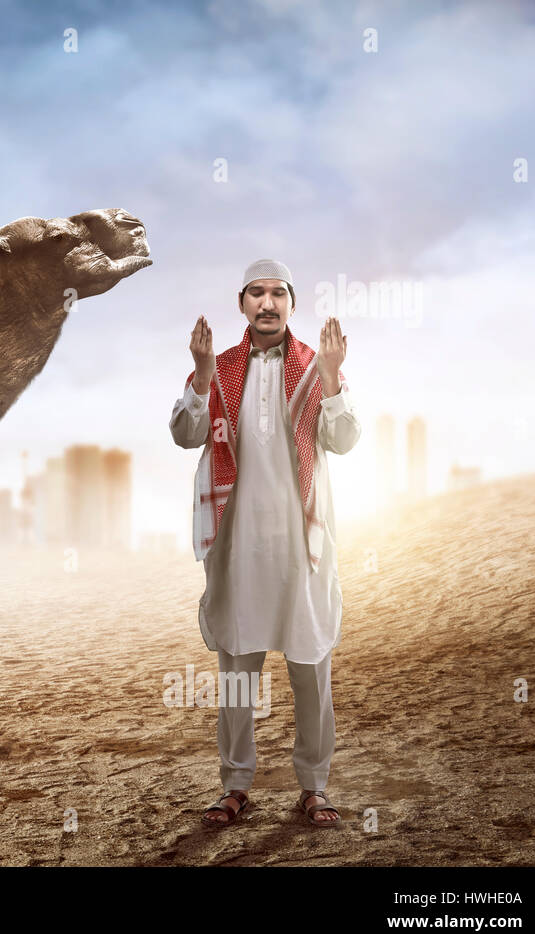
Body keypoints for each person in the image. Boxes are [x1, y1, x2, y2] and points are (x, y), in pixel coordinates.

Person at [168, 259, 361, 828]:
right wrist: (201, 375)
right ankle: (235, 787)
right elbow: (185, 434)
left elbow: (344, 440)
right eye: (258, 293)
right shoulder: (221, 368)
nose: (268, 303)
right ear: (242, 303)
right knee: (236, 671)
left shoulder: (312, 366)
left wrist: (331, 376)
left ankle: (314, 787)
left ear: (292, 305)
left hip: (302, 545)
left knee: (311, 667)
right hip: (238, 544)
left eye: (279, 293)